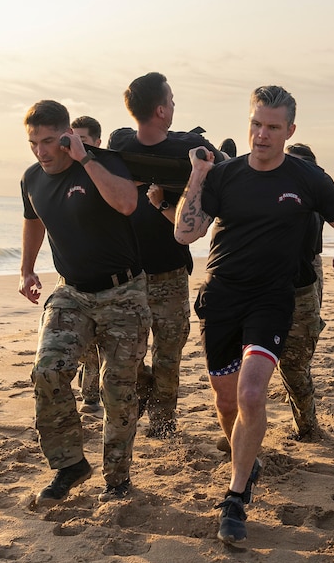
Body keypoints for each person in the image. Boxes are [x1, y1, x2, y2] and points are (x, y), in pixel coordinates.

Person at [174, 85, 334, 544]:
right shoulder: (225, 176)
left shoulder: (308, 179)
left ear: (290, 130)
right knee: (226, 401)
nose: (262, 135)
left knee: (251, 392)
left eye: (272, 127)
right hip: (222, 296)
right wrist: (198, 174)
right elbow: (185, 233)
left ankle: (236, 496)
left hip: (271, 299)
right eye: (256, 124)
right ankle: (248, 459)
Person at [20, 100, 150, 505]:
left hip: (123, 292)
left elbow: (127, 203)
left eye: (48, 141)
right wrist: (27, 269)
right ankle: (70, 464)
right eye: (33, 143)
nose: (41, 151)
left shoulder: (102, 162)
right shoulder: (31, 178)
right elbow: (33, 219)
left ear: (66, 135)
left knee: (117, 389)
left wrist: (85, 159)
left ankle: (117, 479)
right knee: (47, 372)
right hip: (71, 292)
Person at [108, 72, 225, 438]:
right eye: (171, 100)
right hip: (130, 276)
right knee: (128, 354)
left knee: (168, 353)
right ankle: (147, 393)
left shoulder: (182, 149)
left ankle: (163, 423)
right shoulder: (122, 144)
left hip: (170, 271)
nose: (174, 105)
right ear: (160, 110)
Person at [278, 142, 327, 440]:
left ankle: (307, 427)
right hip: (264, 286)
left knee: (296, 365)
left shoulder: (314, 196)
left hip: (304, 279)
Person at [69, 115, 104, 411]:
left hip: (110, 274)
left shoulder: (106, 174)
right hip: (74, 276)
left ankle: (94, 395)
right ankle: (90, 393)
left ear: (97, 143)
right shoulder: (61, 176)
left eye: (83, 141)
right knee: (84, 343)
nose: (75, 147)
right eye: (72, 140)